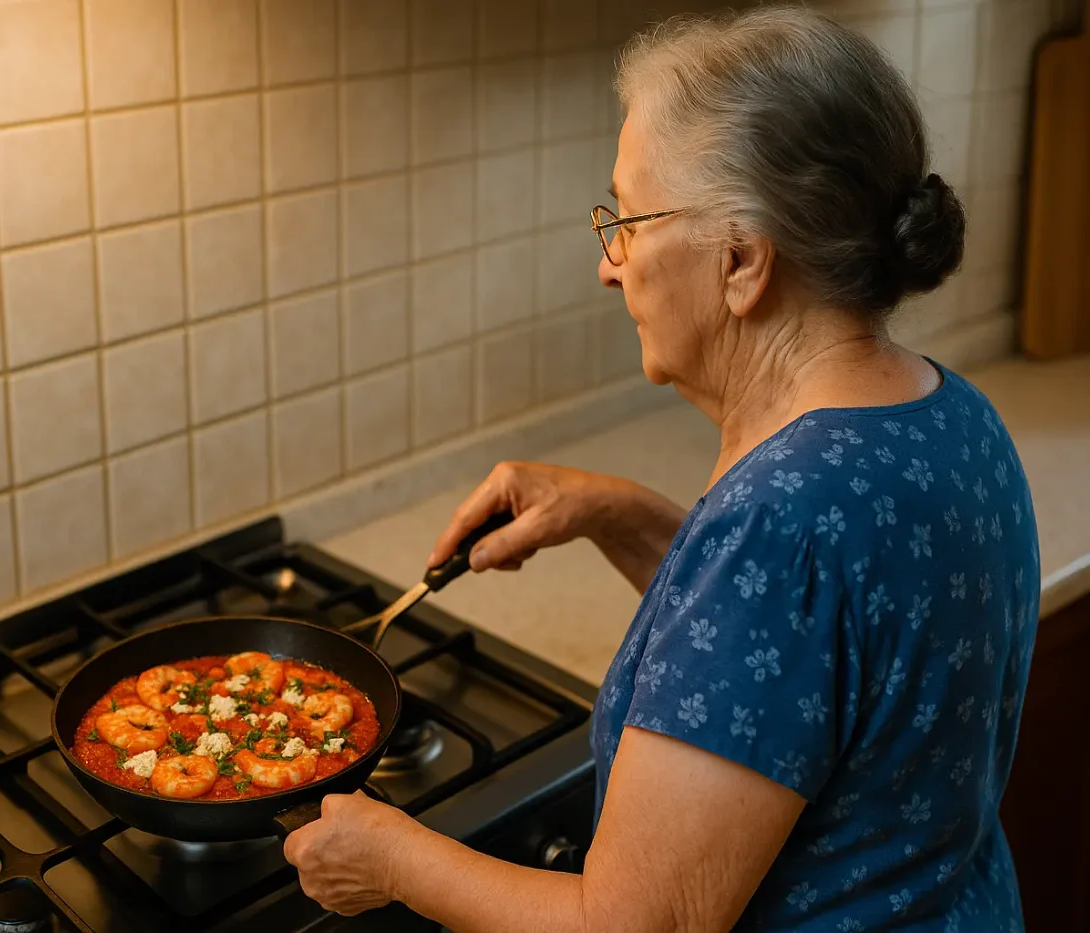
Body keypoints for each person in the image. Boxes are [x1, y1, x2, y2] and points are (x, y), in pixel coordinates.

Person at [282, 7, 1041, 931]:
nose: (610, 267)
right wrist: (620, 514)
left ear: (741, 261)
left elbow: (642, 921)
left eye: (629, 221)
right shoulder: (952, 415)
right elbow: (800, 664)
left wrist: (391, 858)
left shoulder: (780, 525)